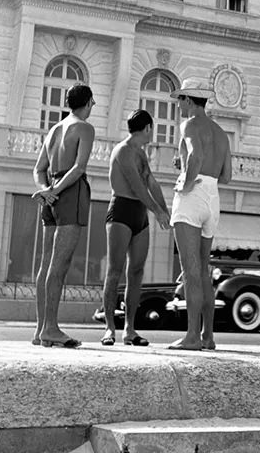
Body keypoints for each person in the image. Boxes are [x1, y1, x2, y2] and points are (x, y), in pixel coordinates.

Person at [167, 78, 231, 351]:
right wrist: (190, 169)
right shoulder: (220, 132)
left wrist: (186, 181)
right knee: (204, 270)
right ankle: (208, 335)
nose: (178, 104)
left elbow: (195, 154)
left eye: (180, 99)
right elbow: (227, 175)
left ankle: (191, 336)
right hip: (213, 195)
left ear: (190, 100)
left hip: (193, 198)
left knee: (190, 270)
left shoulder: (189, 124)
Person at [31, 83, 96, 348]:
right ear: (89, 102)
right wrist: (57, 190)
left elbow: (38, 169)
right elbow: (79, 168)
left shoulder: (54, 130)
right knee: (60, 264)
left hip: (49, 196)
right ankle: (51, 329)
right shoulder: (85, 128)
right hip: (69, 194)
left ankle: (40, 330)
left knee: (46, 263)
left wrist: (46, 191)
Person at [100, 110, 172, 347]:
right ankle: (110, 328)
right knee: (115, 270)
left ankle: (129, 329)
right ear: (148, 127)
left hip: (140, 215)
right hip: (121, 209)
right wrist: (157, 212)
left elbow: (151, 183)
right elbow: (138, 188)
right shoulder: (123, 150)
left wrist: (165, 210)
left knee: (137, 271)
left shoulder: (141, 153)